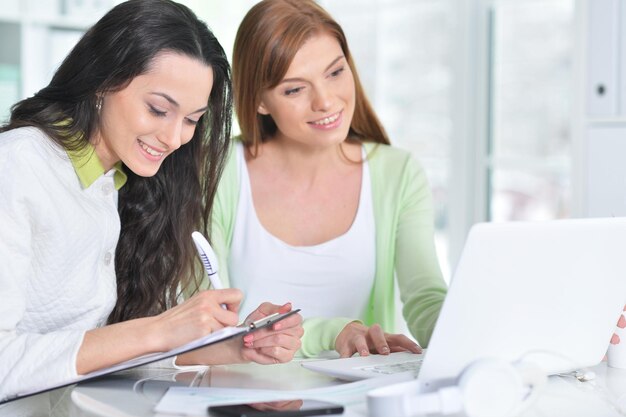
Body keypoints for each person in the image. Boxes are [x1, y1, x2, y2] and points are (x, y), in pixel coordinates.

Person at [0, 0, 302, 403]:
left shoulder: (123, 180)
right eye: (158, 109)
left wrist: (235, 346)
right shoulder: (18, 164)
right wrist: (158, 329)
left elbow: (99, 354)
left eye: (192, 120)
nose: (175, 138)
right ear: (101, 81)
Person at [210, 0, 447, 359]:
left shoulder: (397, 173)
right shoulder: (218, 170)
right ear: (259, 101)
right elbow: (204, 323)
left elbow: (426, 300)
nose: (325, 101)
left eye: (335, 72)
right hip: (245, 402)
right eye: (294, 89)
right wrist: (334, 332)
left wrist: (481, 326)